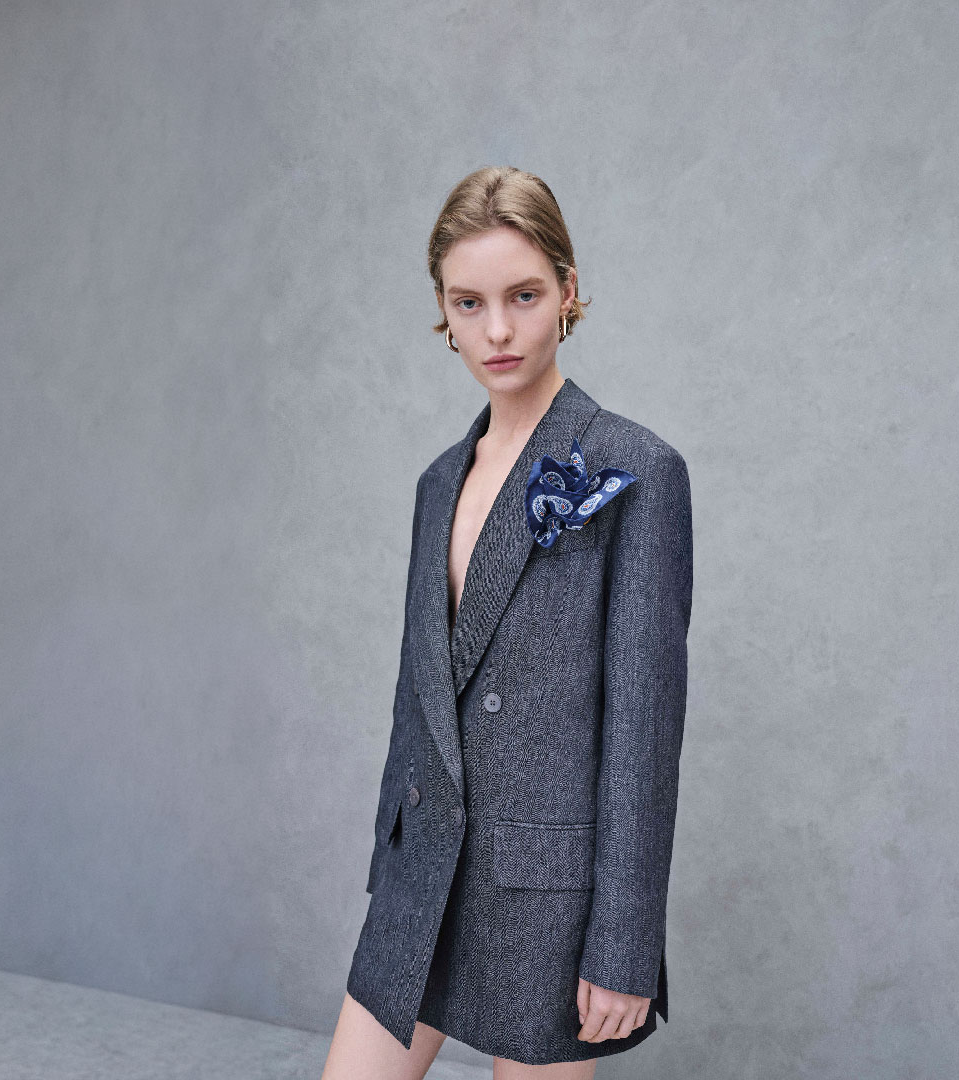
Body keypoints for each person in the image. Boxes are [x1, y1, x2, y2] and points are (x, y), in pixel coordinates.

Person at [323, 166, 693, 1078]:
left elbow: (642, 732)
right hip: (423, 882)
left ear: (567, 291)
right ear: (443, 313)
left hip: (547, 899)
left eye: (523, 296)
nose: (496, 330)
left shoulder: (634, 468)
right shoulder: (436, 484)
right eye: (469, 302)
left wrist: (624, 947)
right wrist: (391, 863)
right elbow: (419, 698)